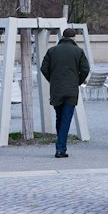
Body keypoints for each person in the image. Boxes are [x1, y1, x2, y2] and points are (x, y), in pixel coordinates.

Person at [38, 28, 90, 158]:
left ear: (63, 37)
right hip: (71, 90)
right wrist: (77, 81)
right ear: (73, 38)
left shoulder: (52, 51)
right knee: (66, 119)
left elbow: (44, 68)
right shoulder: (78, 51)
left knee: (59, 118)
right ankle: (60, 149)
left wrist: (53, 79)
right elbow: (85, 69)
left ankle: (61, 145)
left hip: (56, 90)